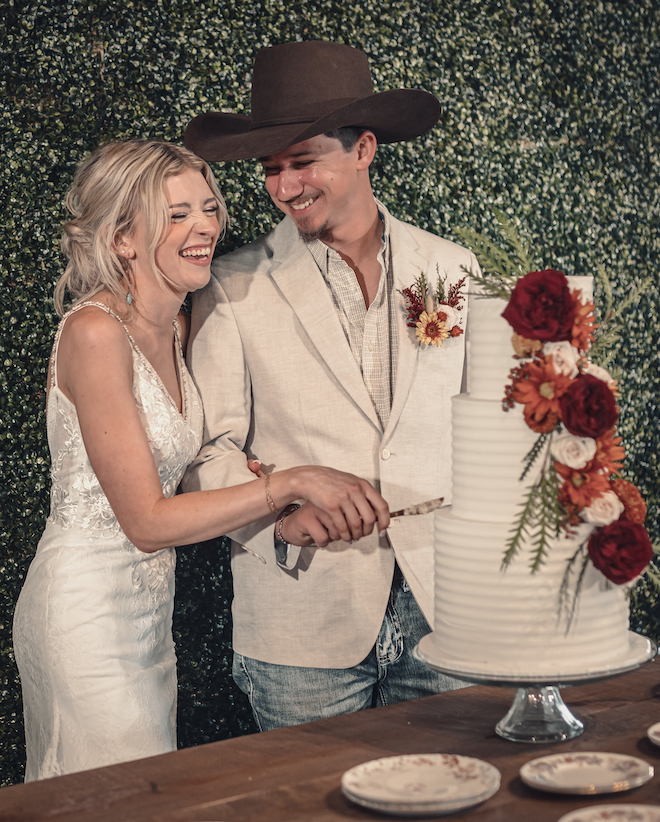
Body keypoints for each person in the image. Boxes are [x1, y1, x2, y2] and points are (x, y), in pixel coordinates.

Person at [12, 139, 389, 782]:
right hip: (84, 612)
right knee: (116, 796)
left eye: (209, 208)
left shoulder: (180, 323)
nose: (206, 227)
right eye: (177, 214)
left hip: (148, 611)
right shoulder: (95, 332)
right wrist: (291, 483)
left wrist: (282, 506)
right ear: (123, 240)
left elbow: (198, 464)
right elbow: (148, 521)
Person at [182, 40, 479, 731]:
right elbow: (206, 451)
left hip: (447, 610)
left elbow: (487, 422)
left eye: (304, 160)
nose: (285, 187)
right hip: (301, 613)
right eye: (272, 169)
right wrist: (275, 519)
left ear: (365, 149)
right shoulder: (230, 286)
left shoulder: (453, 267)